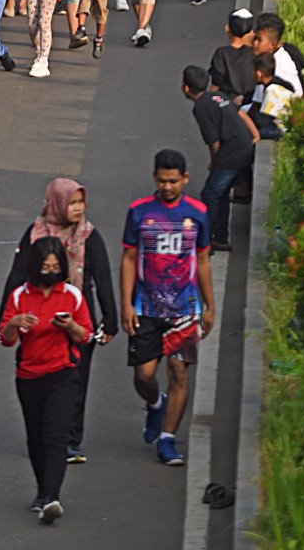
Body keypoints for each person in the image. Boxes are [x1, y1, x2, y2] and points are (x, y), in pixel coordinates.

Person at [0, 179, 117, 462]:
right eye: (71, 203)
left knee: (76, 379)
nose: (77, 209)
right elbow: (17, 275)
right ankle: (46, 432)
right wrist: (5, 317)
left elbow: (102, 277)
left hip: (78, 319)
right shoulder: (36, 234)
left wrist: (110, 320)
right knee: (40, 378)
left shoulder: (88, 235)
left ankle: (70, 439)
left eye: (80, 203)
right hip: (39, 320)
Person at [121, 149, 214, 468]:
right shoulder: (139, 212)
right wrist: (126, 305)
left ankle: (167, 439)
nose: (167, 187)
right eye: (162, 181)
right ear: (154, 178)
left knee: (178, 372)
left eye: (173, 181)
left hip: (184, 309)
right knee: (144, 375)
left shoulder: (199, 213)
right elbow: (130, 258)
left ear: (185, 179)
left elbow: (202, 260)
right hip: (146, 307)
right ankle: (154, 403)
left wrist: (209, 306)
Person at [0, 236, 93, 524]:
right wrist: (15, 323)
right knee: (36, 438)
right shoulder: (19, 296)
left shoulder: (72, 295)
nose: (50, 271)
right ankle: (42, 490)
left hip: (63, 374)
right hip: (28, 377)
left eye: (55, 266)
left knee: (56, 438)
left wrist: (70, 326)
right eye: (45, 266)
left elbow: (86, 335)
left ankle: (52, 496)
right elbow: (5, 338)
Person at [182, 66, 259, 251]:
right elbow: (240, 112)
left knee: (210, 194)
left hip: (229, 153)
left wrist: (215, 162)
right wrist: (255, 134)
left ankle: (205, 242)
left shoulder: (200, 107)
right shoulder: (218, 96)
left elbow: (213, 140)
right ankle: (221, 237)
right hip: (244, 147)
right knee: (222, 193)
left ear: (185, 87)